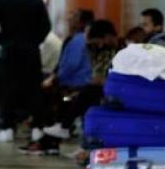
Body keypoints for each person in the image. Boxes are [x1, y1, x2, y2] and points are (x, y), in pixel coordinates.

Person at [0, 0, 51, 144]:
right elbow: (46, 26)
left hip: (9, 52)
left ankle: (7, 128)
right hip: (31, 52)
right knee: (34, 90)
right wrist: (34, 42)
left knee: (8, 89)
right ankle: (37, 129)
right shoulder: (36, 2)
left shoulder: (2, 0)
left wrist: (3, 42)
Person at [41, 20, 120, 157]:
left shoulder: (121, 51)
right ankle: (75, 140)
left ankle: (63, 128)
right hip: (94, 89)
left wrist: (102, 81)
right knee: (78, 99)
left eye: (100, 41)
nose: (99, 44)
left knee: (80, 95)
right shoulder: (99, 50)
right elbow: (96, 74)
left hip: (113, 89)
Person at [23, 10, 94, 154]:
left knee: (48, 98)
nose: (69, 21)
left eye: (73, 18)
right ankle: (47, 140)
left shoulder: (77, 41)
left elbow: (69, 65)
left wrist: (55, 79)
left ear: (81, 23)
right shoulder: (77, 40)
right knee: (50, 97)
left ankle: (44, 137)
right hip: (75, 85)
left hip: (73, 87)